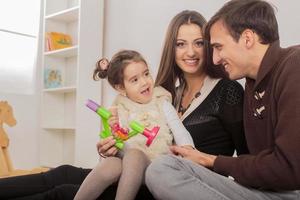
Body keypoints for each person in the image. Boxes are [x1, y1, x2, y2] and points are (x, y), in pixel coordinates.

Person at [0, 10, 248, 200]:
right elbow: (128, 136)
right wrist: (109, 147)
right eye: (181, 44)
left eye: (199, 43)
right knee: (62, 172)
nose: (190, 52)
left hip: (176, 187)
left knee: (64, 192)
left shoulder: (228, 91)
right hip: (139, 170)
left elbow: (246, 159)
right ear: (171, 48)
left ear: (209, 45)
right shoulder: (163, 91)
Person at [145, 1, 300, 200]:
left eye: (217, 46)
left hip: (289, 193)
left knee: (161, 170)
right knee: (158, 170)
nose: (215, 58)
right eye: (180, 44)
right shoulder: (253, 83)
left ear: (247, 38)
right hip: (260, 190)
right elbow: (254, 163)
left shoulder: (294, 66)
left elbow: (288, 168)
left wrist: (211, 161)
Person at [74, 49, 194, 200]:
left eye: (146, 74)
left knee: (134, 155)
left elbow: (180, 131)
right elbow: (119, 147)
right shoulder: (119, 109)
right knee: (111, 164)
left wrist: (188, 151)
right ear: (121, 88)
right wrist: (113, 140)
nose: (144, 82)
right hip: (129, 170)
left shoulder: (161, 102)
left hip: (156, 167)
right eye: (135, 80)